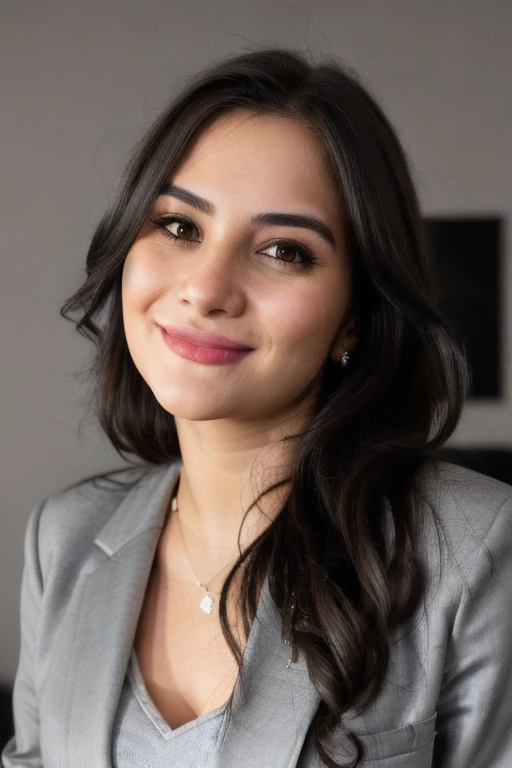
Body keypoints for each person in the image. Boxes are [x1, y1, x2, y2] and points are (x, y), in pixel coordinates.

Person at [3, 47, 512, 768]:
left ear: (355, 317)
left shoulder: (476, 549)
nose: (207, 289)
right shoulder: (64, 539)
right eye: (179, 226)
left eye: (283, 250)